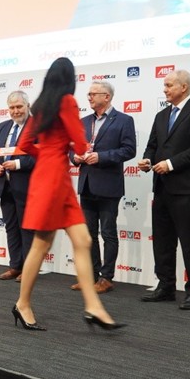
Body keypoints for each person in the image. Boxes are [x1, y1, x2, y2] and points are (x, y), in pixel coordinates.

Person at [13, 57, 124, 331]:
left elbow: (24, 144)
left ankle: (93, 306)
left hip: (49, 176)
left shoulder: (41, 106)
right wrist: (63, 150)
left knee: (82, 240)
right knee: (42, 244)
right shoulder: (67, 102)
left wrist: (47, 152)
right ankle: (23, 304)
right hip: (54, 179)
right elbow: (81, 143)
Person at [138, 69, 190, 310]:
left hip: (187, 189)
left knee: (189, 241)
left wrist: (170, 164)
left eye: (169, 85)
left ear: (184, 87)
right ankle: (166, 287)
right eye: (164, 85)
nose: (165, 89)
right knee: (162, 240)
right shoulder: (162, 115)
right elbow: (153, 145)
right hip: (162, 188)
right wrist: (147, 160)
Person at [70, 81, 136, 294]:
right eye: (88, 94)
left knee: (108, 233)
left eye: (93, 94)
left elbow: (129, 150)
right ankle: (91, 276)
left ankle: (106, 278)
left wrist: (102, 157)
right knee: (88, 234)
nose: (89, 97)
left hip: (108, 185)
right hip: (87, 184)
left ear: (107, 96)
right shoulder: (83, 122)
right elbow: (72, 149)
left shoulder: (124, 120)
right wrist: (76, 157)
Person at [0, 91, 35, 282]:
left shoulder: (38, 127)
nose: (16, 111)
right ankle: (15, 266)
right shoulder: (2, 127)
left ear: (28, 106)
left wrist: (18, 164)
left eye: (19, 107)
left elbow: (43, 156)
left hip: (27, 187)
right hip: (4, 186)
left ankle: (29, 269)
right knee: (11, 227)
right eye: (12, 107)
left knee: (27, 229)